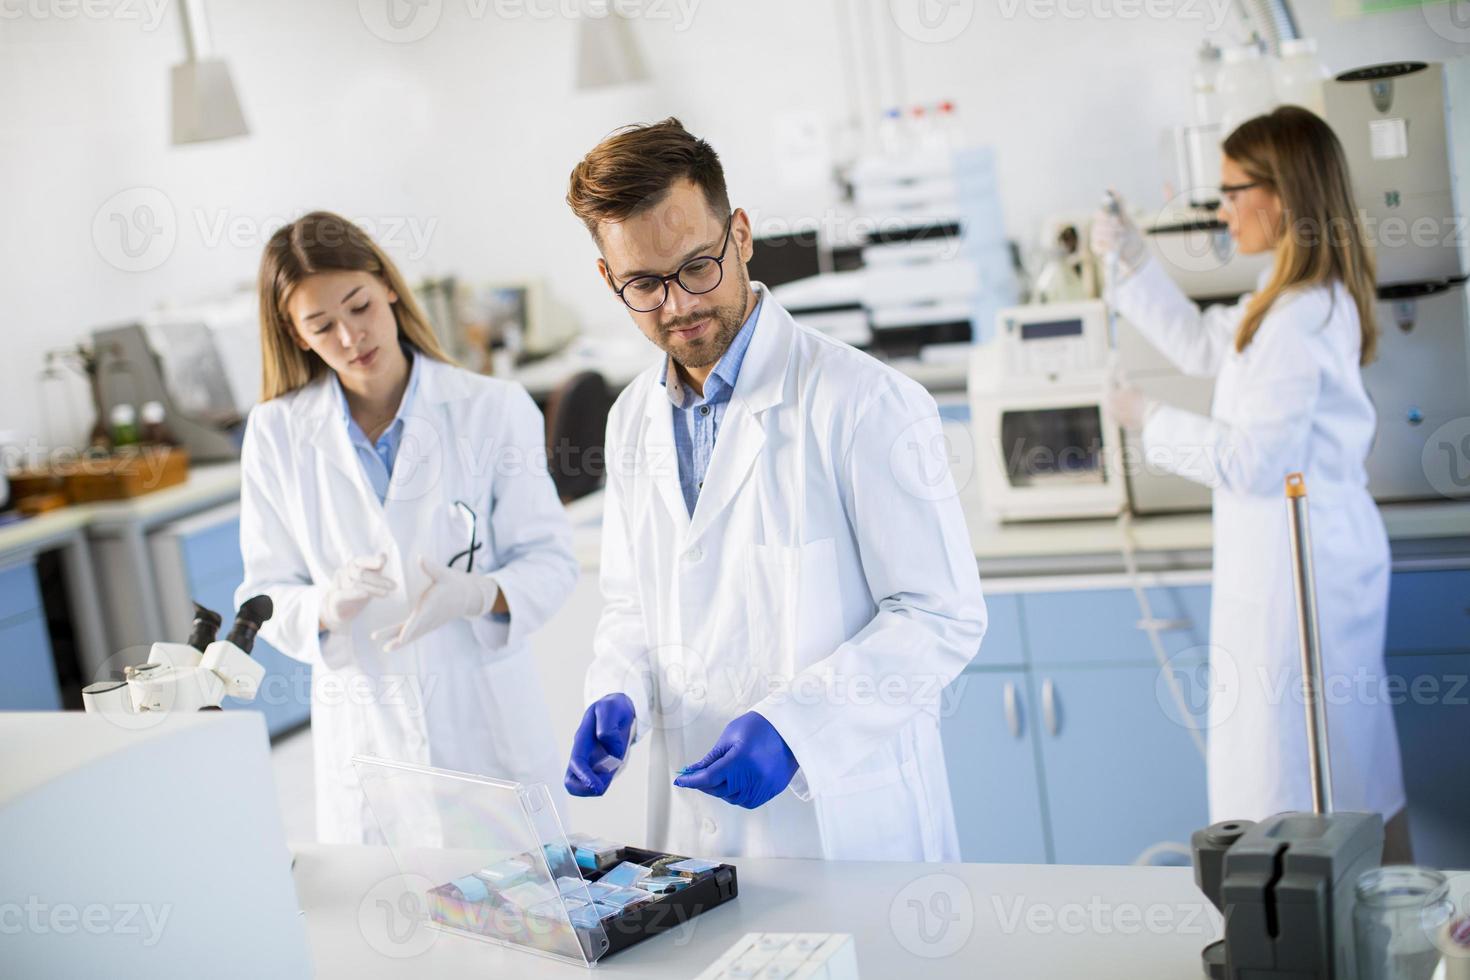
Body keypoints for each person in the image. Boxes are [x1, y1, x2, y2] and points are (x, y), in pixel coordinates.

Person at [560, 119, 987, 862]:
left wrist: (801, 727)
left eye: (698, 266)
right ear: (608, 280)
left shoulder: (865, 402)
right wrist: (616, 686)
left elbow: (940, 616)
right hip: (698, 833)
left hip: (847, 834)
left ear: (742, 235)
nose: (678, 306)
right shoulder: (632, 420)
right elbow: (634, 603)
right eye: (644, 284)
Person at [1092, 106, 1410, 859]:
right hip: (1301, 562)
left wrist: (1148, 418)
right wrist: (1133, 262)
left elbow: (1254, 463)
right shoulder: (1286, 298)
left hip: (1301, 577)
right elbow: (1210, 346)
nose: (1222, 208)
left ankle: (1319, 939)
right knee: (1339, 771)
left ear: (1285, 195)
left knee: (1302, 783)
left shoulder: (1299, 318)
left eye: (1235, 191)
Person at [236, 211, 578, 844]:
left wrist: (478, 594)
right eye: (321, 325)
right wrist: (321, 605)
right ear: (295, 333)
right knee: (392, 930)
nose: (349, 337)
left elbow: (552, 562)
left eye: (360, 306)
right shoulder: (277, 433)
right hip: (369, 743)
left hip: (486, 729)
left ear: (387, 285)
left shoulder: (491, 410)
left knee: (526, 928)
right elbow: (261, 595)